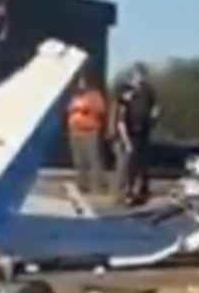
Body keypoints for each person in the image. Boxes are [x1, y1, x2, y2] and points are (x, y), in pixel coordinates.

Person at [113, 65, 160, 205]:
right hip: (128, 130)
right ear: (133, 76)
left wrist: (154, 115)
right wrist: (125, 140)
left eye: (142, 75)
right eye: (137, 75)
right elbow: (120, 114)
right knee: (128, 164)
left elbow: (155, 106)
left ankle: (141, 191)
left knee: (142, 163)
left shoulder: (148, 90)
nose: (139, 78)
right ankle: (126, 193)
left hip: (144, 130)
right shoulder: (125, 90)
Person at [65, 76, 108, 195]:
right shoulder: (75, 96)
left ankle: (99, 185)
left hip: (90, 131)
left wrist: (86, 108)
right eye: (79, 83)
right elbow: (70, 109)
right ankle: (82, 185)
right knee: (78, 160)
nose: (81, 85)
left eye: (83, 83)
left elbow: (101, 109)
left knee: (94, 159)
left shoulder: (94, 95)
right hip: (75, 131)